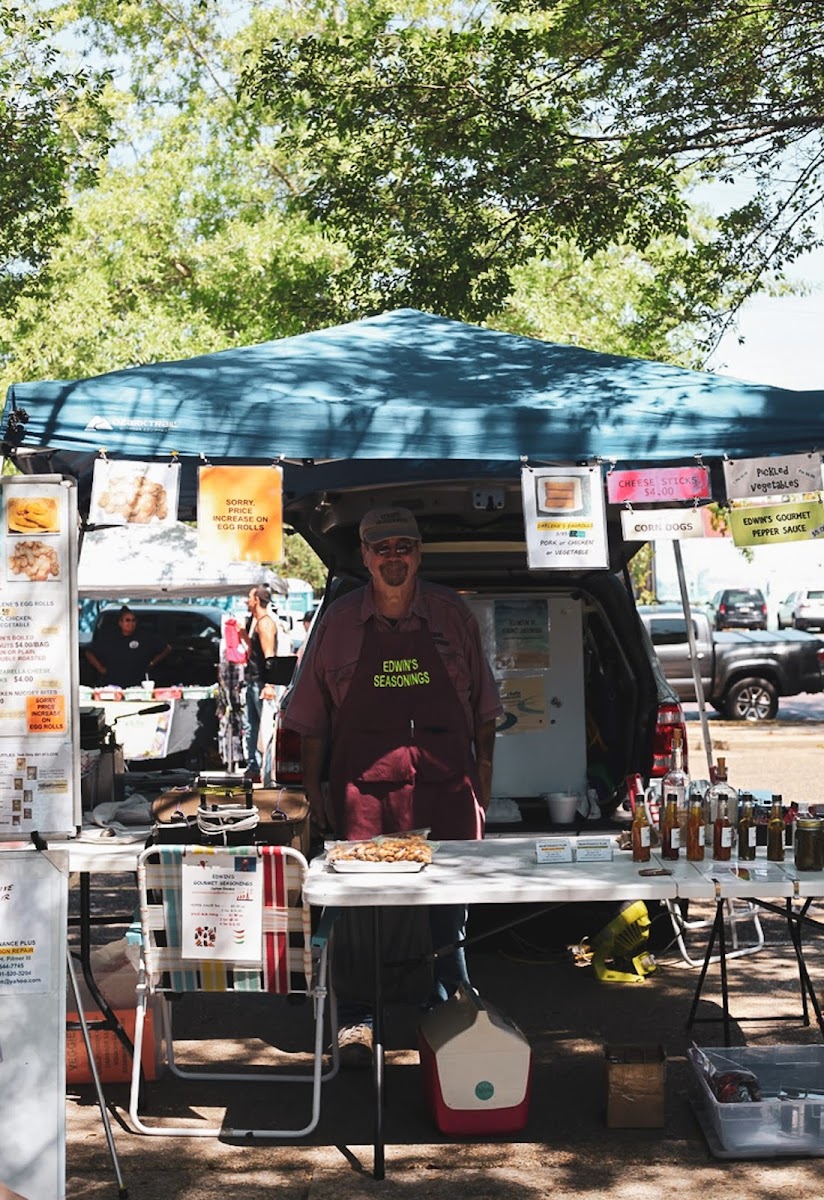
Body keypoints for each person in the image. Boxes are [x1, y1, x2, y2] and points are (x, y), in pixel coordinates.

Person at [283, 506, 502, 1067]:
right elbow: (310, 721)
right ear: (365, 556)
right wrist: (315, 796)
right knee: (363, 911)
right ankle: (359, 1016)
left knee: (445, 909)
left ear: (419, 552)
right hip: (365, 795)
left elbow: (483, 707)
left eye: (404, 545)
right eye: (382, 548)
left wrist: (483, 775)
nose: (393, 556)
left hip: (444, 790)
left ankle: (449, 1004)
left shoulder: (452, 616)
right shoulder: (337, 623)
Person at [238, 585, 289, 783]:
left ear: (257, 601)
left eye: (250, 598)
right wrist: (244, 637)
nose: (247, 602)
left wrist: (269, 684)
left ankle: (264, 767)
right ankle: (254, 766)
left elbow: (269, 655)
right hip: (253, 680)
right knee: (252, 725)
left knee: (265, 727)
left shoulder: (266, 623)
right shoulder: (256, 623)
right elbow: (255, 652)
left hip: (261, 682)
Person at [84, 605, 171, 687]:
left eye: (133, 620)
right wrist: (101, 669)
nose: (131, 623)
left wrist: (152, 663)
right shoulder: (108, 638)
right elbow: (89, 652)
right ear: (120, 623)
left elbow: (167, 648)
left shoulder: (145, 638)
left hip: (137, 685)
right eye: (127, 620)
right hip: (112, 684)